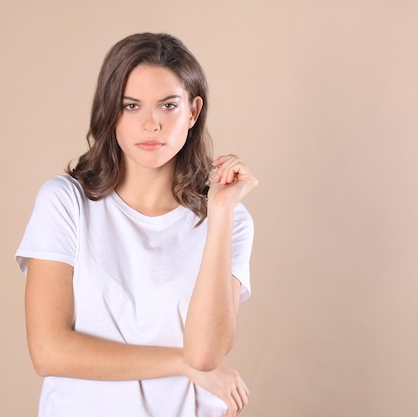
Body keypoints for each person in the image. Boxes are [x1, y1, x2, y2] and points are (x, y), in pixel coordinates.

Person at [15, 32, 258, 417]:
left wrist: (221, 213)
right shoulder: (66, 202)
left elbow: (206, 354)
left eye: (167, 106)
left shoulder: (230, 219)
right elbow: (48, 352)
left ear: (193, 112)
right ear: (110, 110)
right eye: (131, 106)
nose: (151, 124)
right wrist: (182, 365)